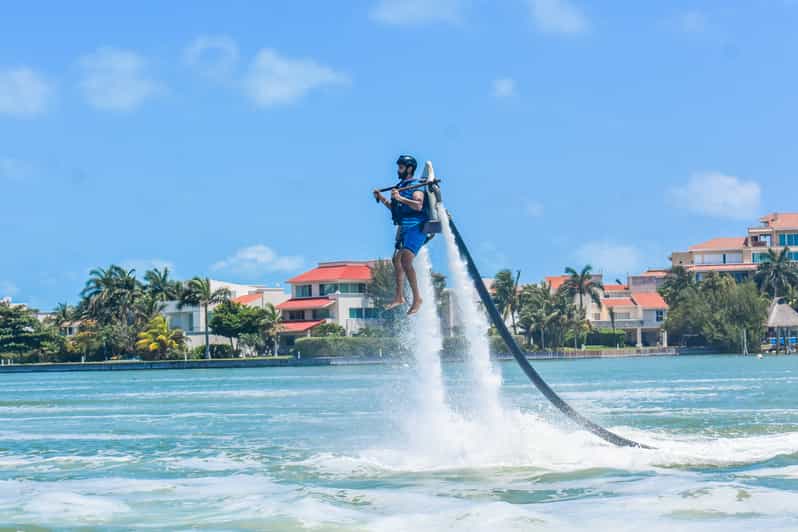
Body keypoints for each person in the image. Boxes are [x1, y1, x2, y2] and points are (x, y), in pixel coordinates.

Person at [373, 155, 427, 315]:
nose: (398, 170)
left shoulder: (416, 185)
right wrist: (382, 198)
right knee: (396, 259)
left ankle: (417, 298)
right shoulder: (400, 185)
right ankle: (399, 296)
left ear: (409, 168)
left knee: (405, 260)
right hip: (404, 227)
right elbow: (396, 208)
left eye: (401, 168)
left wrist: (401, 197)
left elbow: (418, 205)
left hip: (416, 226)